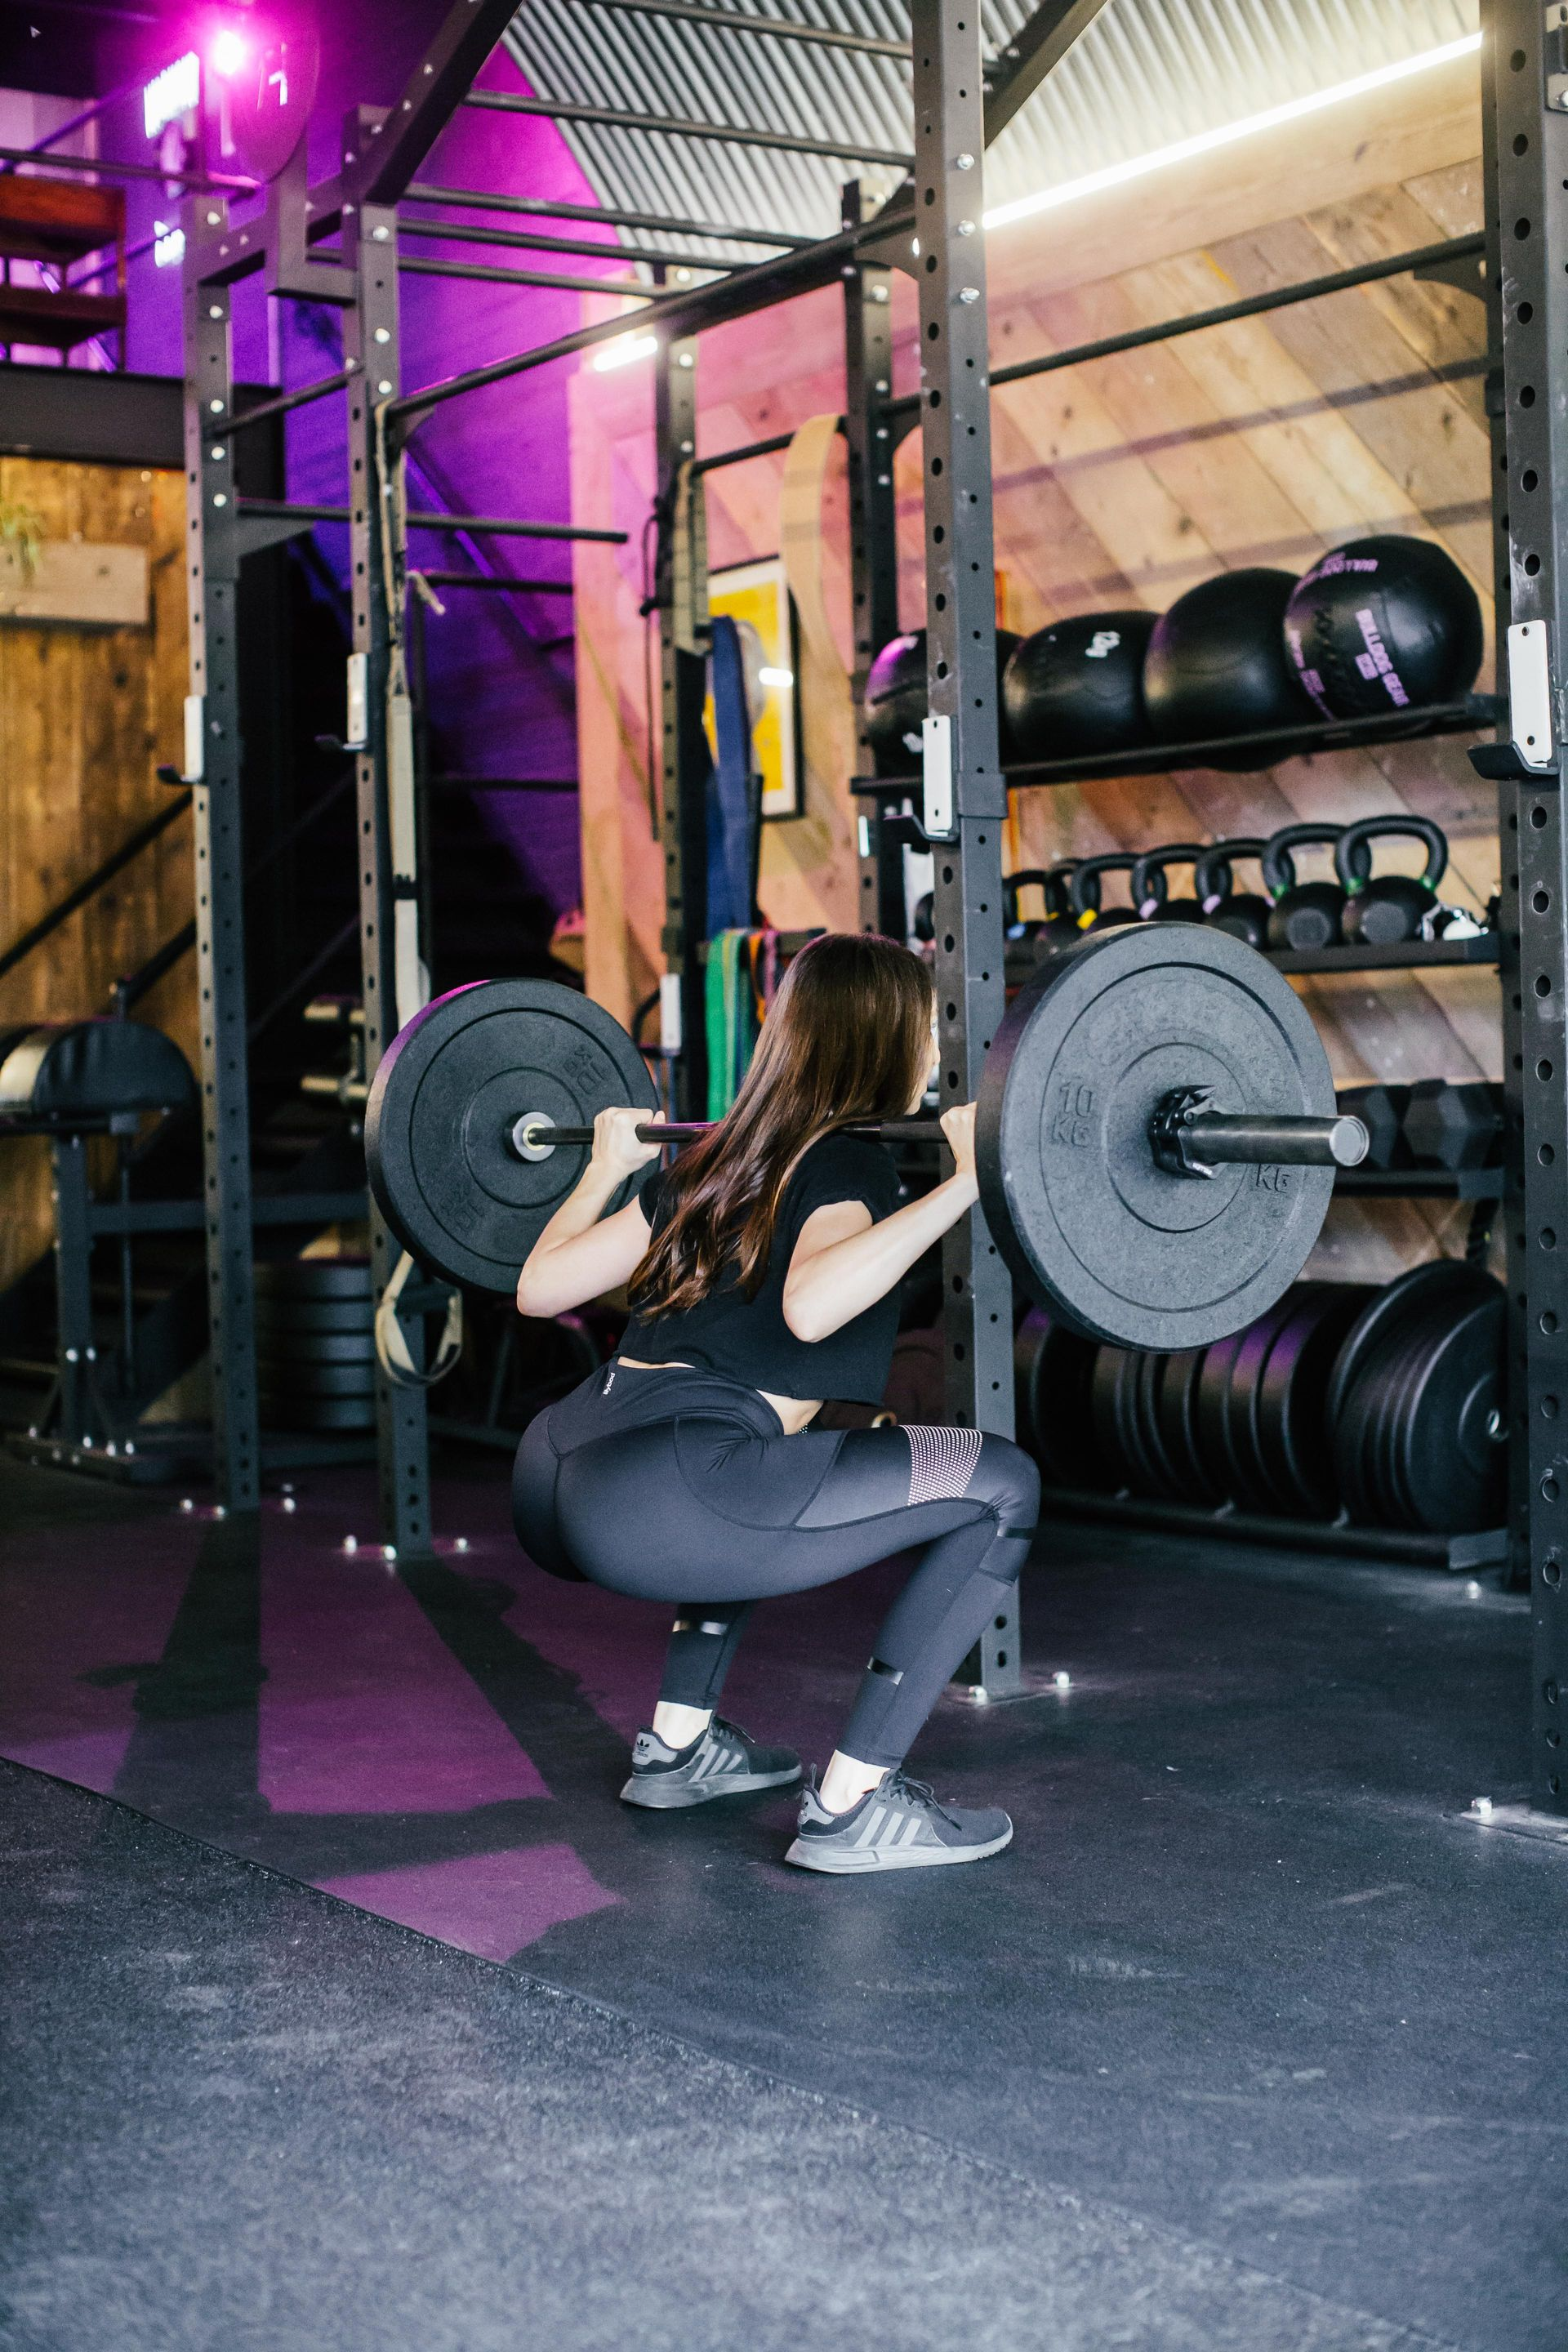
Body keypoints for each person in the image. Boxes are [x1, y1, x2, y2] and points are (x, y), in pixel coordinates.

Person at [511, 931, 1039, 1874]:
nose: (932, 1052)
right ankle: (854, 1806)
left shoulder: (712, 1162)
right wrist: (967, 1180)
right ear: (876, 1038)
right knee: (1001, 1482)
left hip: (564, 1470)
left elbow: (540, 1287)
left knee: (767, 1481)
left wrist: (601, 1170)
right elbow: (813, 1301)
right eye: (925, 1028)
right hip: (678, 1489)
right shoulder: (848, 1164)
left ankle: (678, 1749)